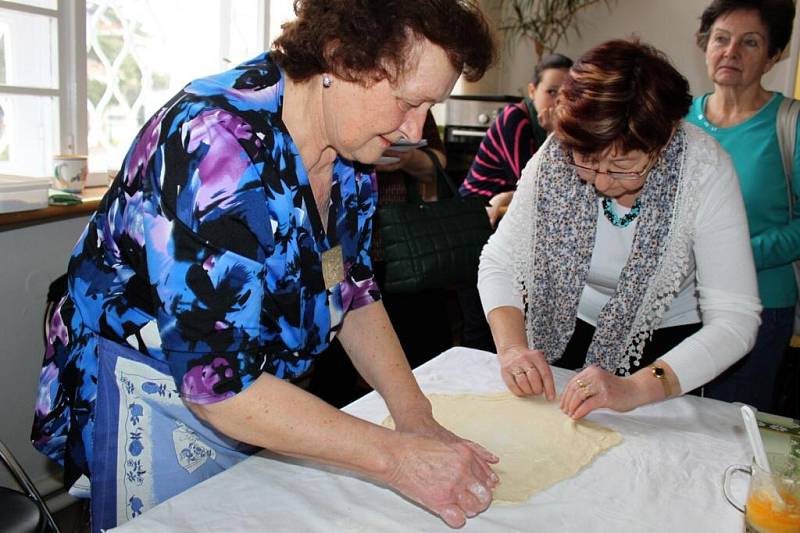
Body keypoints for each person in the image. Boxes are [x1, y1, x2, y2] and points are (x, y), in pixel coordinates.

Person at [30, 1, 498, 530]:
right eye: (407, 102)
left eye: (429, 107)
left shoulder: (351, 147)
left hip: (254, 392)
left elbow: (350, 288)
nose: (415, 130)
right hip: (148, 384)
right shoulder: (215, 147)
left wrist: (417, 418)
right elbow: (218, 385)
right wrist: (396, 458)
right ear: (341, 58)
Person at [478, 39, 762, 420]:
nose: (601, 182)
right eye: (587, 161)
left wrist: (635, 387)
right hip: (565, 330)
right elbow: (500, 261)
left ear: (661, 143)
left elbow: (735, 320)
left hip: (668, 350)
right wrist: (513, 348)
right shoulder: (557, 155)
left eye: (624, 166)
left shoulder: (703, 170)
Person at [686, 0, 799, 412]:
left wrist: (734, 255)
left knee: (730, 426)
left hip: (760, 307)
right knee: (669, 423)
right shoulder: (678, 121)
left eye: (749, 43)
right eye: (721, 38)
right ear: (704, 44)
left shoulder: (791, 124)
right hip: (679, 305)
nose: (730, 52)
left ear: (775, 55)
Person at [309, 111, 453, 406]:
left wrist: (408, 159)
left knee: (417, 347)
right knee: (334, 352)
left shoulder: (412, 109)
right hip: (337, 251)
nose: (412, 129)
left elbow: (438, 162)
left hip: (398, 249)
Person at [456, 53, 572, 353]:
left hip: (504, 217)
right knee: (480, 323)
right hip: (477, 222)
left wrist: (508, 196)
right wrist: (554, 133)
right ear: (532, 91)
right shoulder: (514, 119)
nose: (558, 100)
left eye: (566, 93)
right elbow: (533, 183)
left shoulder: (560, 130)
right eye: (551, 91)